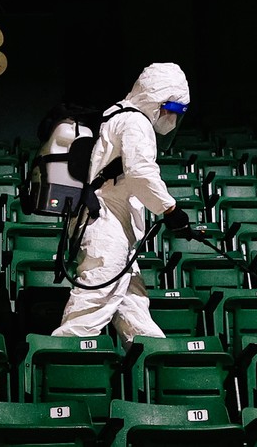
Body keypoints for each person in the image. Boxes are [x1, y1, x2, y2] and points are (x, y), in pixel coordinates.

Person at [51, 62, 191, 348]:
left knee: (133, 307)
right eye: (171, 110)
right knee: (90, 308)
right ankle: (61, 364)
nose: (172, 119)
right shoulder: (136, 122)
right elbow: (140, 172)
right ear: (155, 99)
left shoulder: (118, 115)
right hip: (106, 226)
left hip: (114, 225)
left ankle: (155, 361)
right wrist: (170, 210)